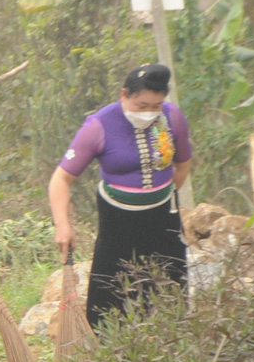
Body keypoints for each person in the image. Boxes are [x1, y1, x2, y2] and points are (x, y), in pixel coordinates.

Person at [47, 63, 193, 327]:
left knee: (171, 287)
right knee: (110, 295)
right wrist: (63, 225)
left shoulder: (172, 118)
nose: (149, 112)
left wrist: (162, 195)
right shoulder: (99, 125)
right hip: (118, 221)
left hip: (163, 217)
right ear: (124, 94)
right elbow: (61, 179)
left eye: (155, 106)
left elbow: (183, 164)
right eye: (142, 105)